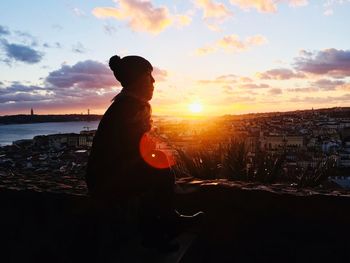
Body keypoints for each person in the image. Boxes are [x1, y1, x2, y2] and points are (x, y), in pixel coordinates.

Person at [85, 55, 203, 251]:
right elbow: (133, 151)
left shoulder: (126, 105)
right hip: (106, 180)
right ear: (138, 79)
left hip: (103, 177)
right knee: (158, 168)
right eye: (149, 75)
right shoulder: (130, 107)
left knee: (156, 170)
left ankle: (160, 231)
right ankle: (164, 226)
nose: (154, 81)